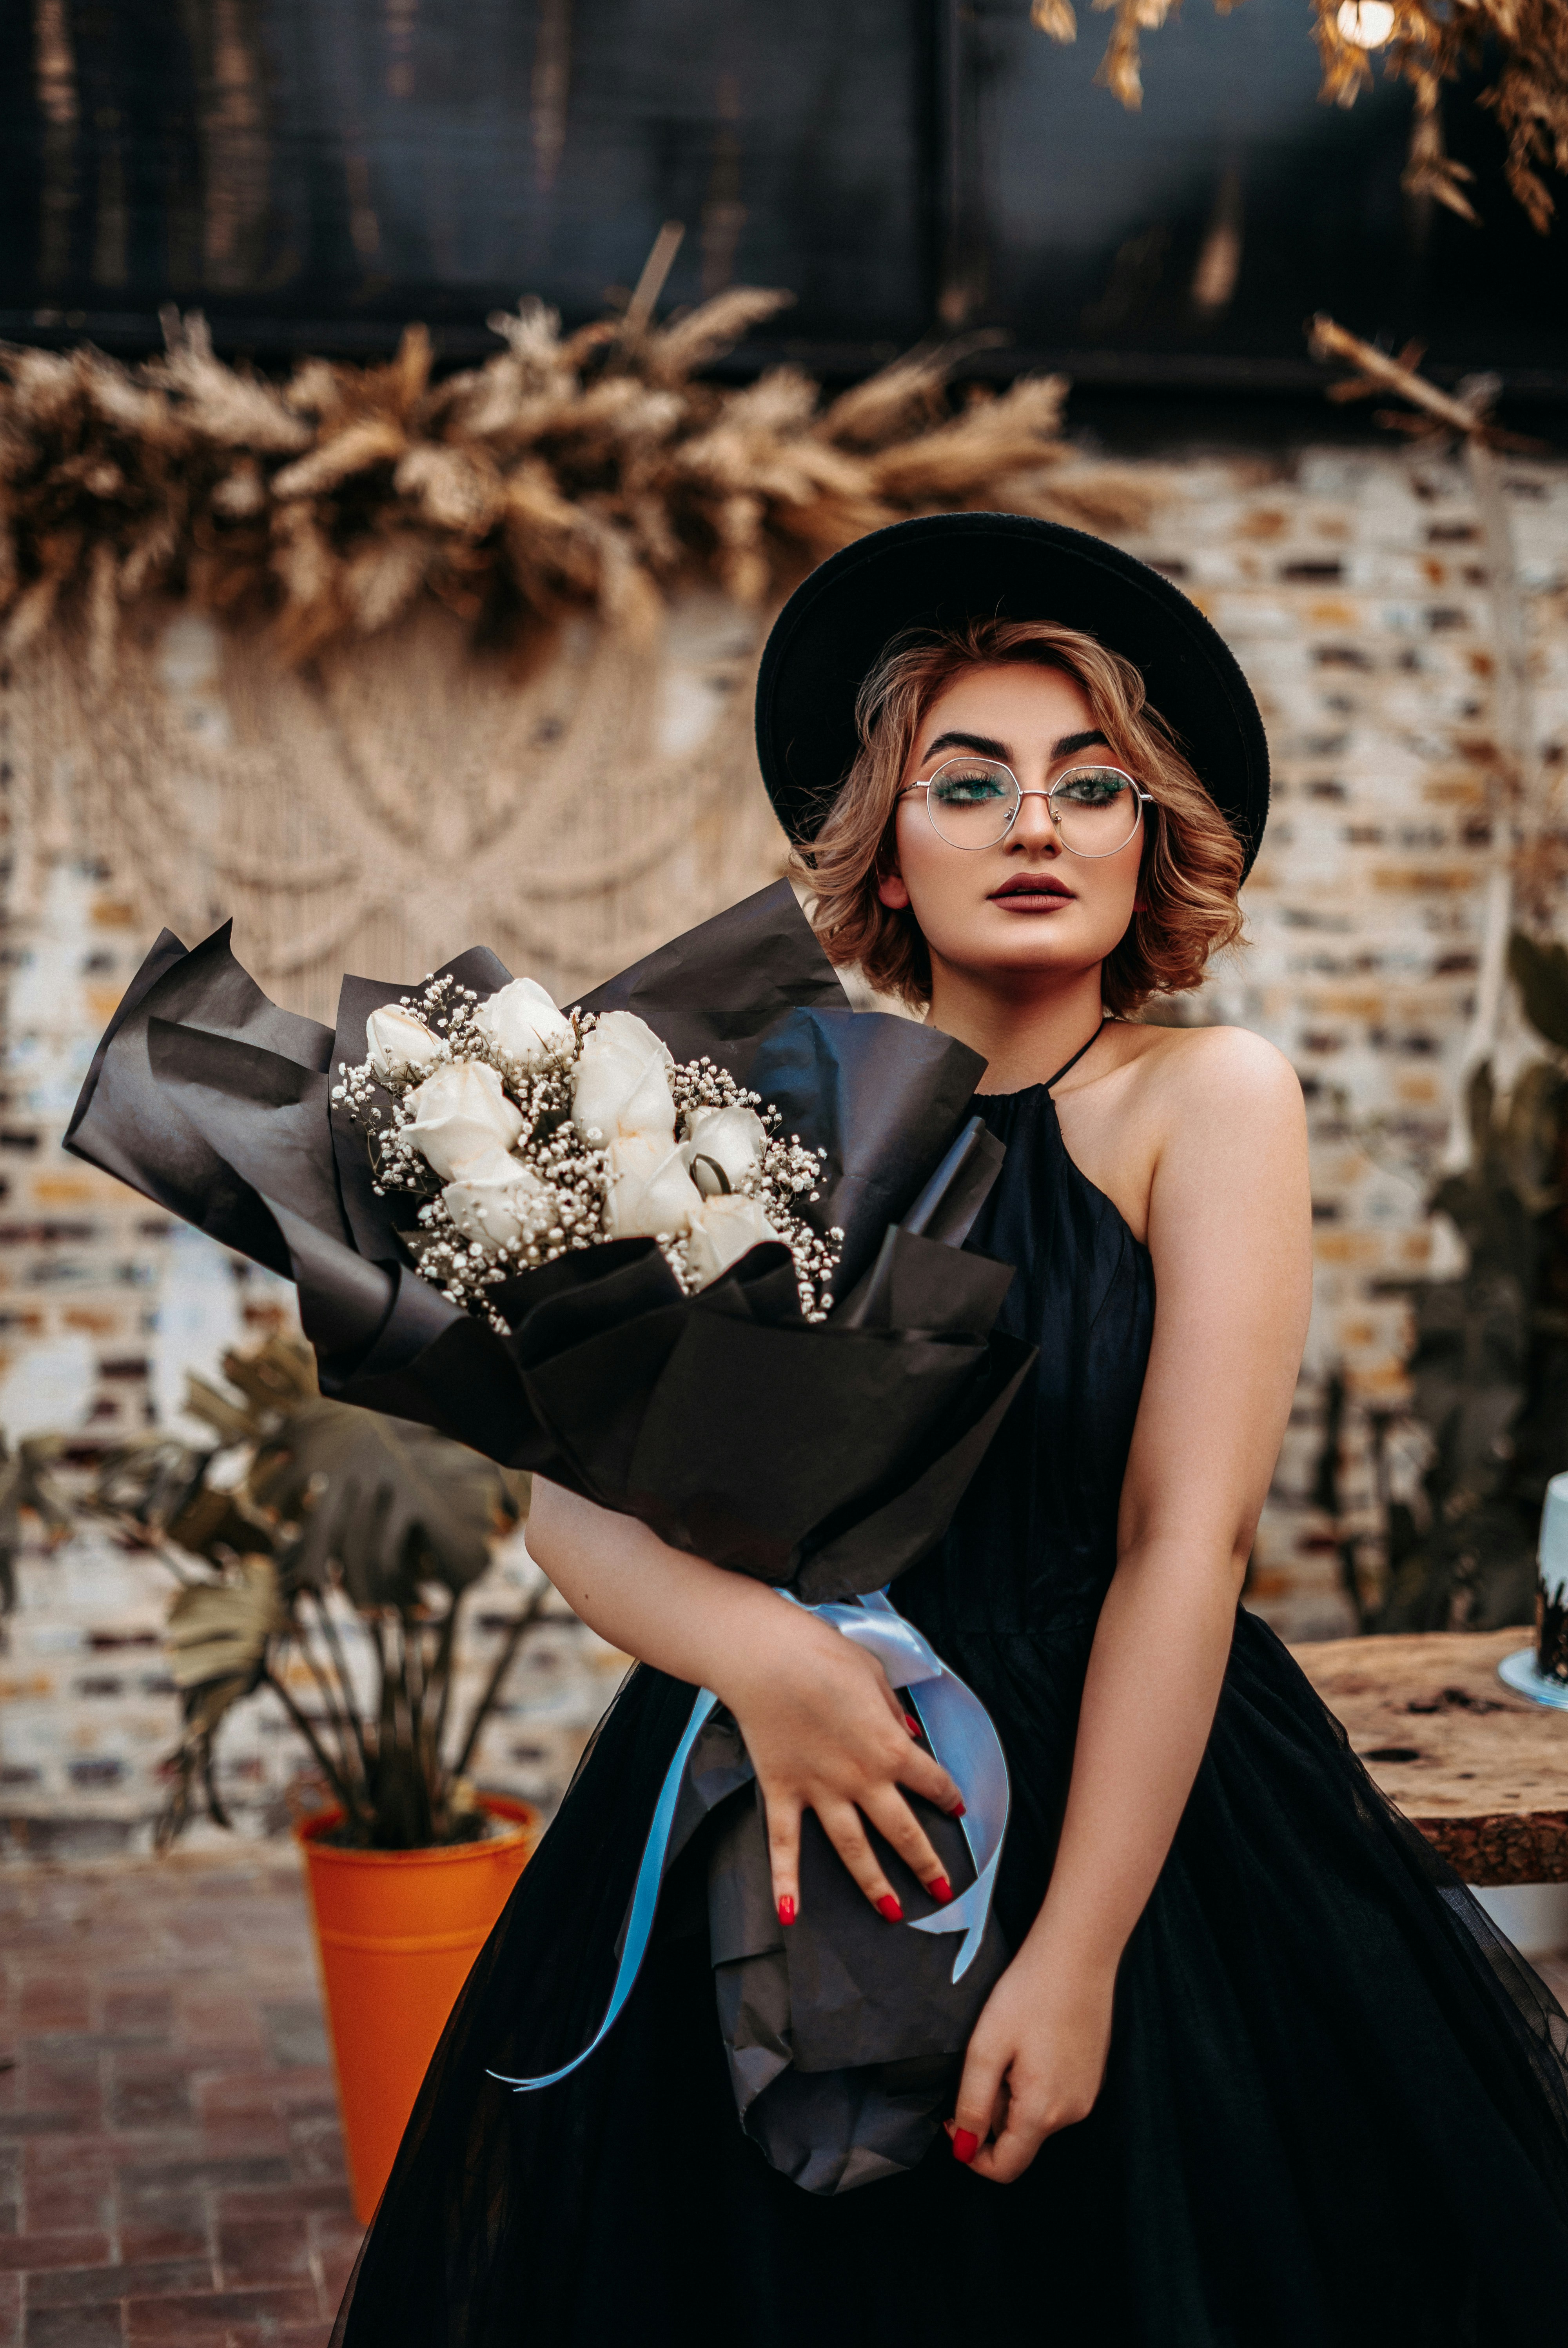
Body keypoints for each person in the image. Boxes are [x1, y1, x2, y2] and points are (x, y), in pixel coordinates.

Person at [332, 516, 1568, 2348]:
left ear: (1150, 836)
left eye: (1090, 786)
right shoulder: (748, 1129)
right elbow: (572, 1517)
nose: (1035, 825)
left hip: (1131, 1814)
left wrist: (1072, 1964)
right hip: (792, 1796)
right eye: (967, 784)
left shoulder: (1200, 1103)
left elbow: (1183, 1550)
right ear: (885, 857)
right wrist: (767, 1662)